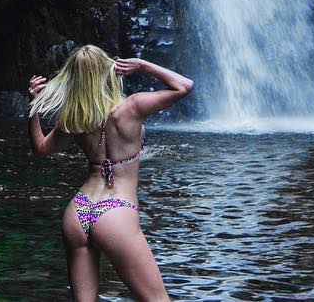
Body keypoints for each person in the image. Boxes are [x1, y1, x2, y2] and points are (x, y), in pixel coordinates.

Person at [27, 45, 194, 302]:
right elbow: (183, 86)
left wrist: (34, 106)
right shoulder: (132, 107)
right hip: (116, 210)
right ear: (107, 70)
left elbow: (40, 148)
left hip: (79, 210)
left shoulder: (74, 118)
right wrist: (143, 64)